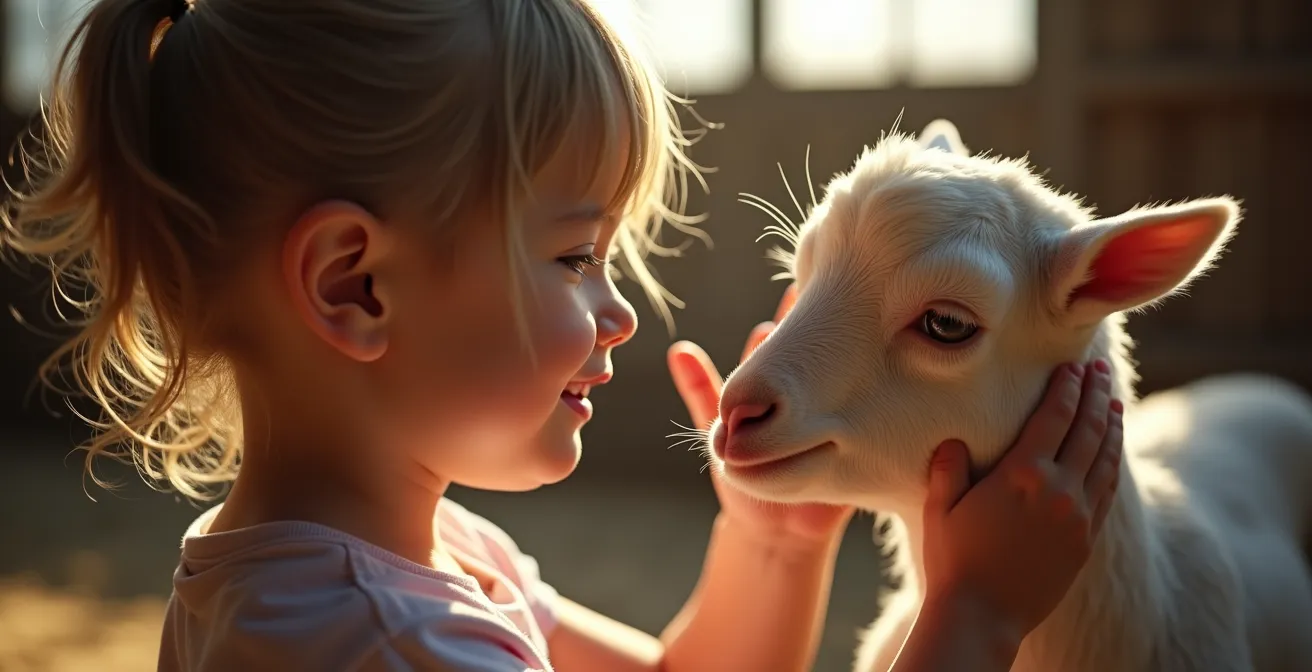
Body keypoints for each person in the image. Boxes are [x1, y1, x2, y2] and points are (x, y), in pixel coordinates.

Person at [1, 0, 1122, 670]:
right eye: (577, 258)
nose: (619, 312)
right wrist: (973, 618)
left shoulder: (425, 565)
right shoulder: (388, 644)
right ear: (356, 286)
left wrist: (776, 544)